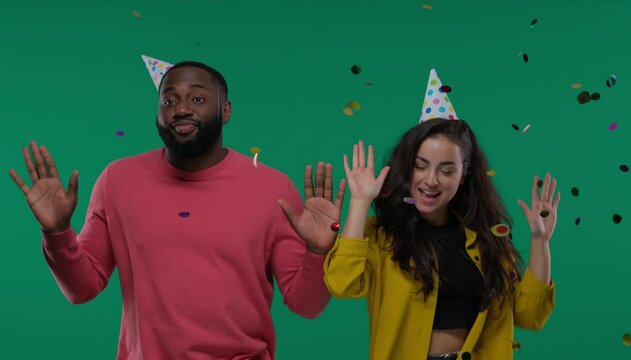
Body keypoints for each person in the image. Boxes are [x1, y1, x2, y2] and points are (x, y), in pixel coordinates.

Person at [8, 61, 346, 360]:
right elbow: (82, 289)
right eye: (169, 100)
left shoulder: (274, 189)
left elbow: (306, 305)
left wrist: (318, 251)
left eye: (197, 99)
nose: (181, 109)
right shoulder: (117, 180)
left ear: (225, 110)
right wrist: (56, 234)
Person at [324, 118, 558, 360]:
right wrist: (360, 202)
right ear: (407, 167)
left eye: (446, 170)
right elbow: (343, 283)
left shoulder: (487, 241)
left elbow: (531, 315)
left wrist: (541, 241)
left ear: (463, 175)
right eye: (420, 165)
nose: (431, 180)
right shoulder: (382, 235)